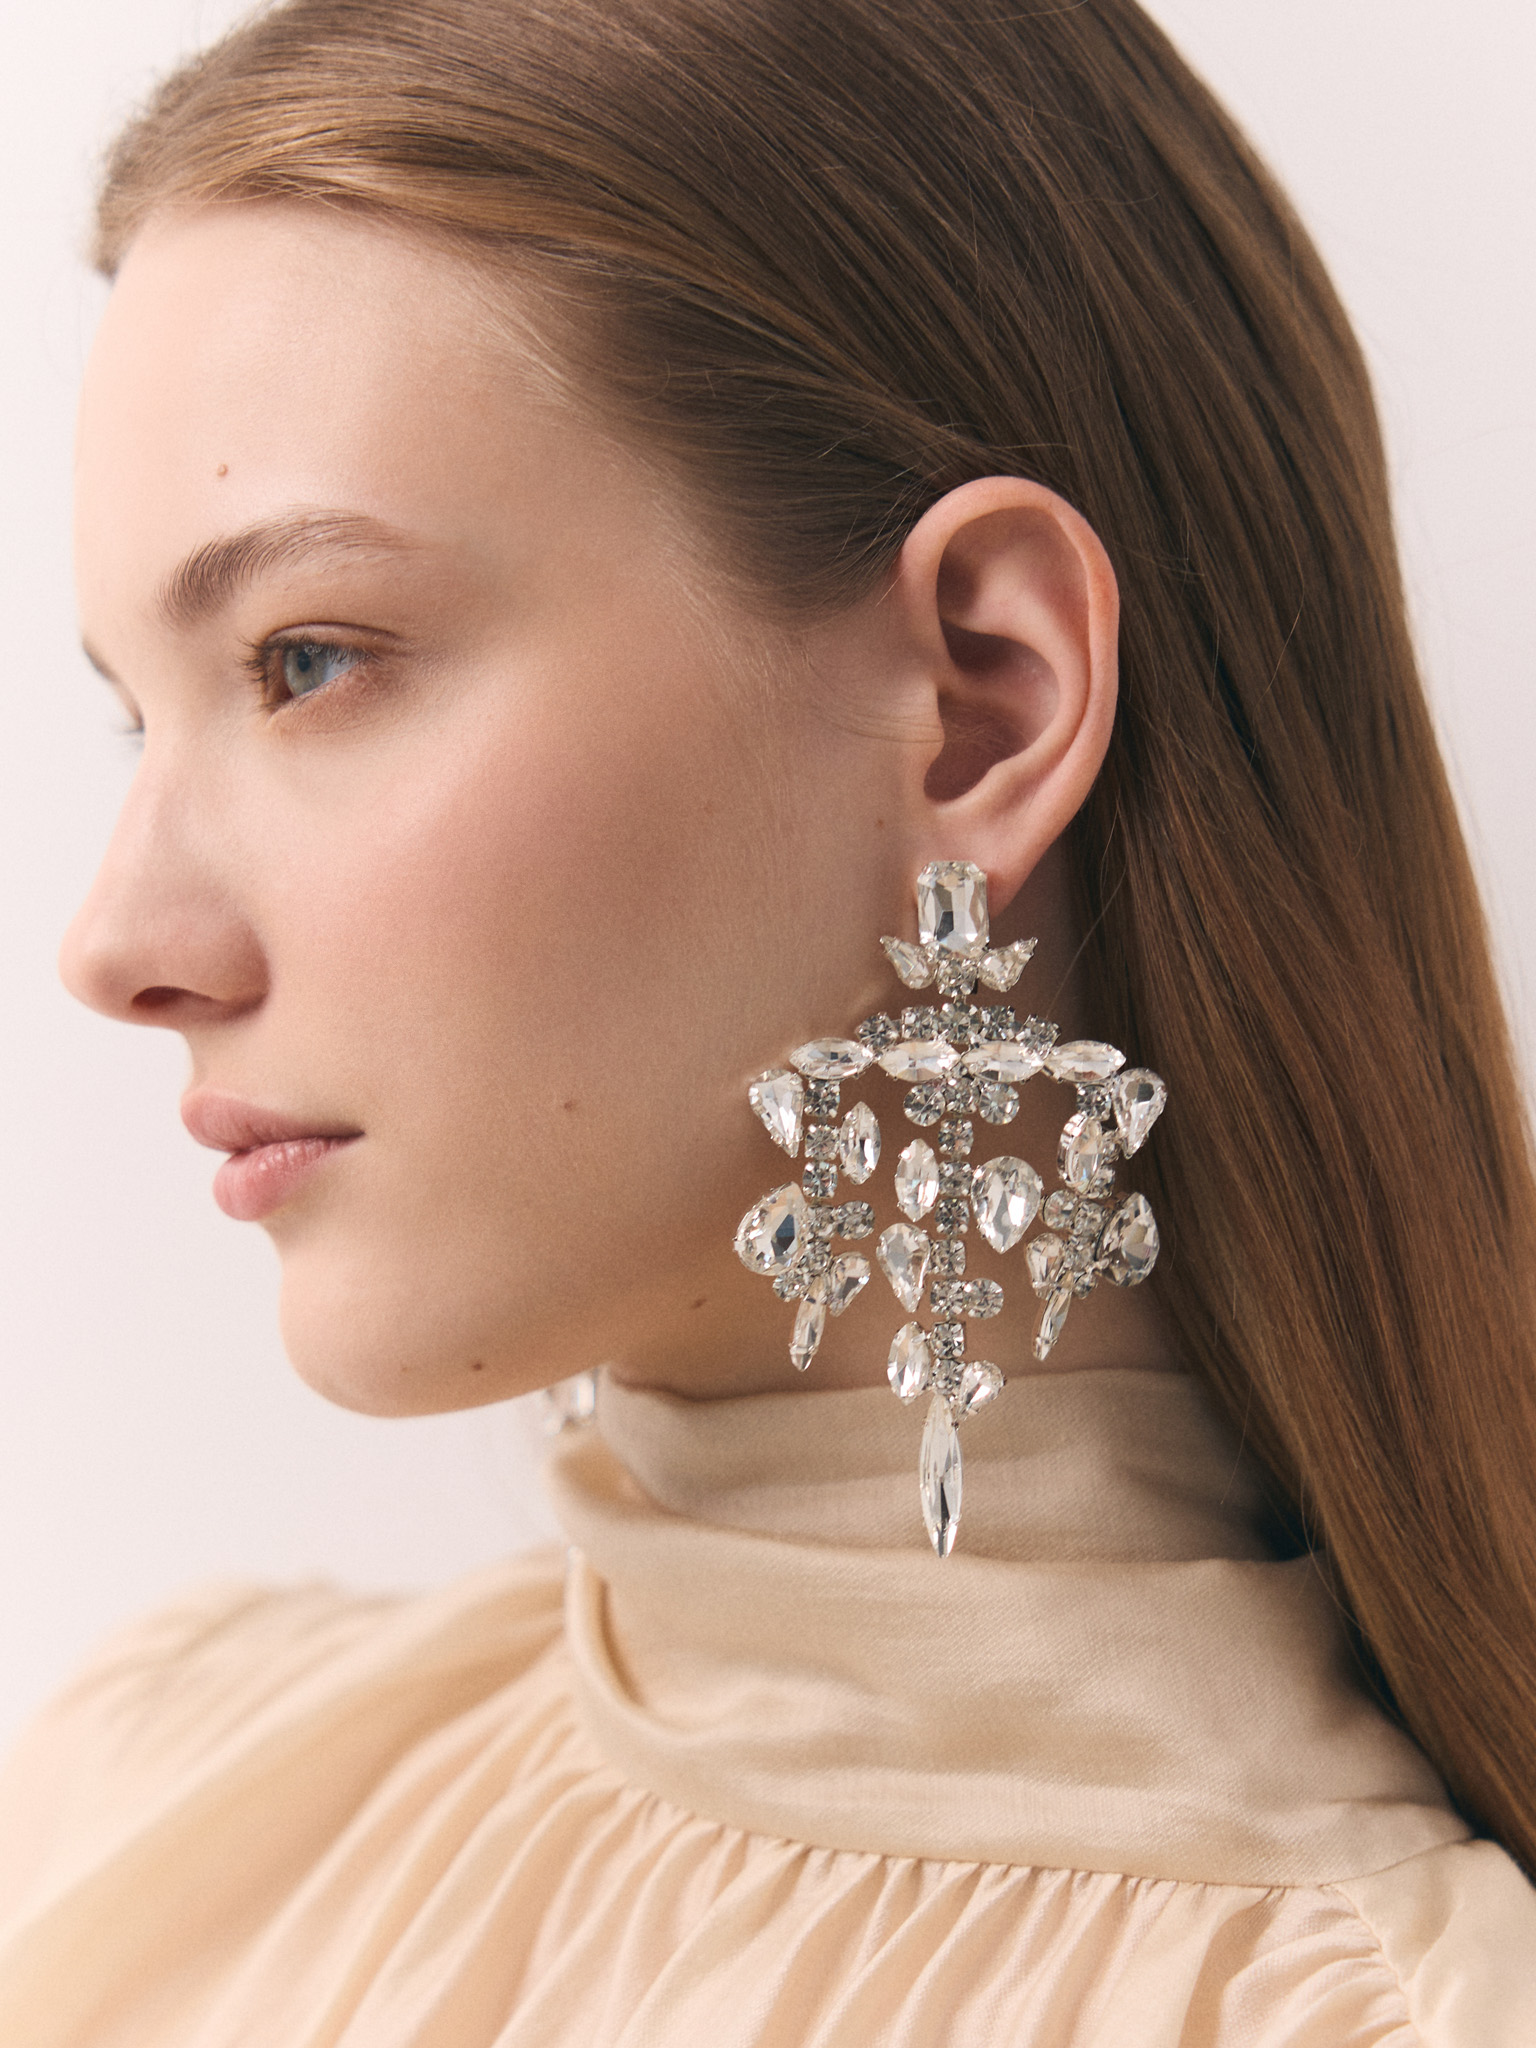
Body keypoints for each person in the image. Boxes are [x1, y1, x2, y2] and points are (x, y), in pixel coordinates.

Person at [1, 0, 1533, 2038]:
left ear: (983, 696)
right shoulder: (143, 1794)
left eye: (307, 657)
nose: (116, 942)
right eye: (137, 705)